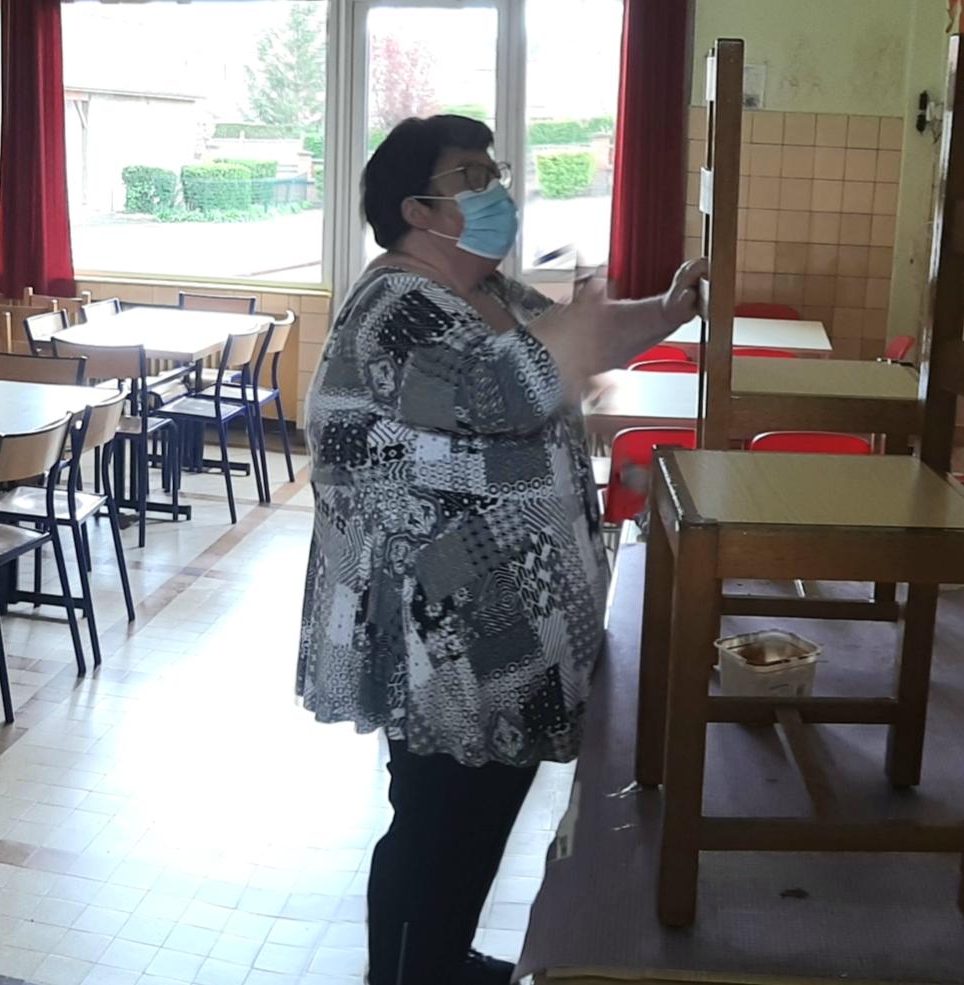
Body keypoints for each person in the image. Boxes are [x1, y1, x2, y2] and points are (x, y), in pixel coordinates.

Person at [297, 114, 704, 985]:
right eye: (471, 177)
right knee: (437, 815)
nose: (496, 192)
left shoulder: (490, 294)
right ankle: (405, 973)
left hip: (498, 623)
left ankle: (441, 956)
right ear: (420, 208)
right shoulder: (396, 307)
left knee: (484, 808)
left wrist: (671, 306)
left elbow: (575, 342)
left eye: (494, 171)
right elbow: (499, 394)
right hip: (435, 627)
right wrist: (575, 330)